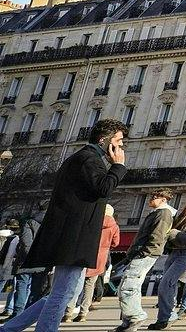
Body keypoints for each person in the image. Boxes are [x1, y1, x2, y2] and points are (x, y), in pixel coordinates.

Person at [0, 120, 126, 332]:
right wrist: (119, 166)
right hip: (74, 238)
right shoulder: (89, 160)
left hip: (71, 236)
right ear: (104, 140)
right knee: (63, 294)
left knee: (61, 293)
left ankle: (10, 328)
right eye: (119, 141)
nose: (121, 147)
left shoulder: (81, 158)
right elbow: (104, 188)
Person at [115, 188, 175, 332]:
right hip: (141, 253)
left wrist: (144, 253)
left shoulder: (164, 213)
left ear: (163, 199)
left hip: (145, 254)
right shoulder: (156, 213)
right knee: (127, 286)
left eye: (155, 196)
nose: (151, 199)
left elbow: (157, 237)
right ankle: (129, 321)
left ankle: (136, 316)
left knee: (129, 286)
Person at [148, 199, 186, 330]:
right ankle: (166, 316)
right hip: (173, 253)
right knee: (169, 285)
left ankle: (166, 317)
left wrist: (173, 232)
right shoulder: (180, 219)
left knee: (166, 283)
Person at [72, 205, 121, 323]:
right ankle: (83, 313)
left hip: (84, 253)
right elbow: (116, 243)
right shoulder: (114, 226)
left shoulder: (93, 220)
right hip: (100, 257)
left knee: (75, 284)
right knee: (90, 286)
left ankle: (68, 312)